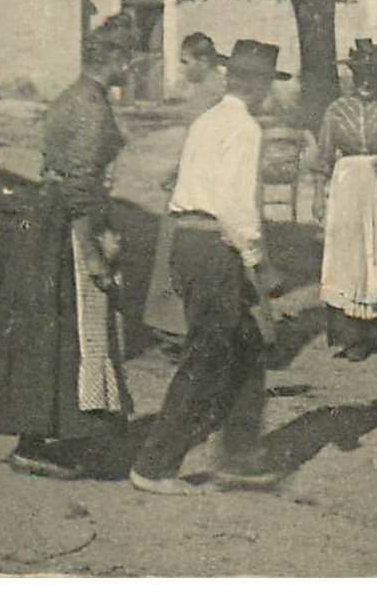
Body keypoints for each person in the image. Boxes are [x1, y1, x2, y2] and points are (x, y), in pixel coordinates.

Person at [0, 18, 137, 479]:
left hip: (45, 216)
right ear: (117, 59)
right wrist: (91, 254)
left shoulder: (71, 97)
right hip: (66, 226)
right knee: (69, 327)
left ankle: (42, 437)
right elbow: (79, 186)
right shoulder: (91, 108)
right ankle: (50, 440)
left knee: (45, 330)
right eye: (129, 57)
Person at [130, 40, 291, 495]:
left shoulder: (207, 120)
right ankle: (154, 464)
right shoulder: (244, 128)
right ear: (257, 85)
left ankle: (239, 454)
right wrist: (261, 264)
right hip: (214, 247)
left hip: (188, 240)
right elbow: (236, 207)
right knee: (206, 357)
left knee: (246, 343)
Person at [310, 39, 377, 361]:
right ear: (352, 74)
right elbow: (323, 156)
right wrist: (318, 197)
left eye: (374, 73)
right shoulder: (337, 110)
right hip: (347, 188)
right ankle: (353, 337)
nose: (367, 80)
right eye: (361, 73)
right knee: (348, 257)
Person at [143, 32, 229, 337]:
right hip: (191, 172)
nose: (182, 69)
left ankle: (179, 325)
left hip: (202, 180)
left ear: (204, 60)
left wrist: (181, 172)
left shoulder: (215, 92)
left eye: (186, 62)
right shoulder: (205, 89)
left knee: (181, 244)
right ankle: (175, 323)